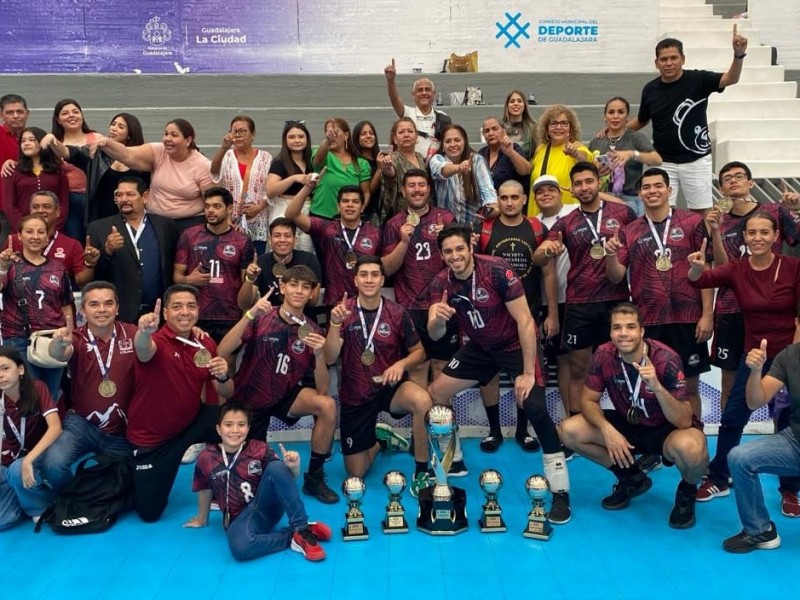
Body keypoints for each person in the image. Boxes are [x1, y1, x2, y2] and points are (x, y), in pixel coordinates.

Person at [427, 224, 572, 523]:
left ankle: (560, 492)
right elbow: (436, 334)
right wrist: (436, 320)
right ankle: (452, 457)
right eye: (448, 252)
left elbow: (525, 320)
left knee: (534, 408)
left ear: (469, 246)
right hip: (480, 348)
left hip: (515, 345)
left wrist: (528, 372)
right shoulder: (441, 283)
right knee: (436, 393)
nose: (455, 256)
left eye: (459, 249)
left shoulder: (496, 270)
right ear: (441, 255)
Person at [559, 303, 708, 529]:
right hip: (628, 425)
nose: (623, 333)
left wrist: (656, 386)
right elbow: (588, 401)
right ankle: (631, 478)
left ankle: (686, 492)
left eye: (630, 327)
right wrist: (607, 431)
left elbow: (684, 420)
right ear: (610, 332)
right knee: (568, 431)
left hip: (665, 429)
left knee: (694, 449)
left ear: (641, 331)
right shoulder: (603, 354)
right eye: (617, 328)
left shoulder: (666, 358)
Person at [688, 211, 800, 507]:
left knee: (788, 421)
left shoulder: (793, 267)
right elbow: (700, 281)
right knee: (733, 418)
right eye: (752, 233)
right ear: (744, 237)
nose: (758, 238)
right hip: (754, 358)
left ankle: (790, 490)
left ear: (776, 236)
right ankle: (718, 478)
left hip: (790, 355)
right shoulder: (737, 269)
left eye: (764, 232)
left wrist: (794, 360)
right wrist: (697, 269)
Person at [218, 266, 339, 504]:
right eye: (293, 285)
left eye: (306, 287)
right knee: (250, 480)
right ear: (282, 287)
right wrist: (249, 314)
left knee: (326, 405)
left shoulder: (312, 330)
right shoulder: (262, 316)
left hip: (285, 395)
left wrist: (319, 355)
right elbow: (223, 350)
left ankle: (314, 477)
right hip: (249, 400)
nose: (299, 291)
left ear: (312, 294)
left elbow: (323, 390)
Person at [604, 168, 713, 421]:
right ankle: (656, 445)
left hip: (687, 318)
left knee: (690, 386)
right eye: (646, 187)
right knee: (651, 386)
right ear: (640, 193)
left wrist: (707, 314)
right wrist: (610, 254)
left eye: (658, 186)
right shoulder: (629, 231)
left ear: (669, 190)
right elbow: (616, 276)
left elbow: (706, 270)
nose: (652, 191)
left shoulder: (692, 223)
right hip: (649, 320)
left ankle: (693, 437)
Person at [534, 163, 635, 423]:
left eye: (589, 181)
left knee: (625, 368)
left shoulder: (623, 214)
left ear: (597, 182)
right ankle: (578, 428)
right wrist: (548, 250)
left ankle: (631, 427)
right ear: (572, 188)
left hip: (617, 301)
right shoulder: (566, 222)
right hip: (580, 303)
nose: (584, 187)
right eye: (578, 183)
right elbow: (538, 256)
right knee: (580, 370)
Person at [323, 256, 433, 496]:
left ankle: (423, 471)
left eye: (375, 275)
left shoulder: (397, 313)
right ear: (355, 280)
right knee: (356, 473)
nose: (369, 279)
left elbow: (419, 353)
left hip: (389, 387)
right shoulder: (343, 312)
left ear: (382, 279)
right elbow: (330, 357)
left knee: (422, 401)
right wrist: (333, 324)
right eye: (364, 274)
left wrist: (401, 365)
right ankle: (381, 441)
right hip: (356, 395)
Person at [126, 284, 232, 522]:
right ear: (165, 313)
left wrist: (225, 375)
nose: (185, 311)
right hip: (153, 440)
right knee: (149, 513)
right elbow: (143, 350)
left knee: (234, 420)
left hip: (190, 422)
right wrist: (143, 331)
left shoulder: (205, 343)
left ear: (198, 310)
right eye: (177, 307)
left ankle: (229, 482)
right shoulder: (156, 340)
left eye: (190, 306)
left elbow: (226, 390)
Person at [706, 161, 800, 417]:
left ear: (751, 182)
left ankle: (785, 440)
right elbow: (723, 271)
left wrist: (798, 209)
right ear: (722, 188)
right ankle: (729, 444)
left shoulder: (775, 212)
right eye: (727, 178)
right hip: (730, 310)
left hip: (772, 314)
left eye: (739, 176)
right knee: (730, 383)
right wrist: (714, 232)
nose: (733, 180)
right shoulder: (718, 221)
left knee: (784, 381)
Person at [184, 402, 333, 562]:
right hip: (239, 520)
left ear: (248, 428)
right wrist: (202, 518)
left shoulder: (260, 449)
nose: (235, 430)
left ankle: (302, 528)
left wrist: (293, 467)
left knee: (276, 467)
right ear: (219, 429)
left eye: (241, 425)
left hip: (267, 507)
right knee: (241, 547)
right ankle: (292, 537)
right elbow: (204, 487)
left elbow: (283, 481)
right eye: (228, 425)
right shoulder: (206, 457)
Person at [627, 30, 748, 214]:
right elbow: (642, 120)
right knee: (662, 211)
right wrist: (613, 132)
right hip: (663, 161)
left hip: (697, 160)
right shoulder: (650, 89)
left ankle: (704, 243)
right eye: (663, 59)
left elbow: (731, 79)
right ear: (656, 63)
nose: (668, 63)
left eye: (673, 58)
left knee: (702, 212)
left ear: (683, 59)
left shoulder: (699, 80)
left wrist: (738, 55)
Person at [477, 179, 558, 452]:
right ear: (497, 199)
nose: (509, 202)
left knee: (526, 374)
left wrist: (552, 313)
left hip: (528, 315)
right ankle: (494, 430)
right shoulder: (485, 230)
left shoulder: (537, 228)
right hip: (491, 318)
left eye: (514, 197)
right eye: (504, 197)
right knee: (488, 374)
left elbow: (548, 272)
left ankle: (523, 430)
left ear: (524, 199)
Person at [42, 282, 135, 493]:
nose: (102, 309)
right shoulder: (75, 338)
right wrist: (58, 343)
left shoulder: (132, 333)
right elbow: (58, 353)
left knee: (133, 482)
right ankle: (73, 498)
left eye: (108, 303)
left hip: (122, 428)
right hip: (82, 424)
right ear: (82, 310)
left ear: (117, 307)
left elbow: (153, 347)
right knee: (53, 465)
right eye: (94, 304)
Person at [721, 330, 800, 553]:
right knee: (739, 457)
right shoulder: (789, 356)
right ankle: (759, 530)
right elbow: (755, 401)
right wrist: (755, 372)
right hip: (795, 441)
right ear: (796, 324)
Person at [381, 168, 456, 389]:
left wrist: (447, 239)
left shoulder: (446, 217)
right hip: (410, 306)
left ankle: (442, 423)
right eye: (411, 185)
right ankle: (422, 423)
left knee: (443, 367)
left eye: (421, 185)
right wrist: (404, 241)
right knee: (418, 367)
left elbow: (459, 261)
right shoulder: (394, 224)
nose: (417, 190)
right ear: (403, 191)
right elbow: (387, 269)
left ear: (429, 189)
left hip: (442, 303)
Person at [0, 215, 73, 399]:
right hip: (19, 339)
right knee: (28, 397)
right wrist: (2, 267)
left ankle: (50, 428)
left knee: (51, 395)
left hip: (51, 340)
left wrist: (70, 334)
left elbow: (65, 304)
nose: (35, 236)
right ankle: (28, 429)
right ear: (19, 236)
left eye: (41, 232)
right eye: (29, 231)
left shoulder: (58, 268)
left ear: (47, 237)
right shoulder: (10, 265)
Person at [93, 118, 213, 230]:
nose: (168, 138)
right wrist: (106, 143)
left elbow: (211, 200)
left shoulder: (203, 165)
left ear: (188, 140)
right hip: (156, 221)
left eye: (174, 135)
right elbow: (127, 154)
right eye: (166, 134)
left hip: (190, 224)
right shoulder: (158, 151)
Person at [87, 176, 178, 323]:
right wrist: (107, 250)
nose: (123, 199)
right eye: (119, 195)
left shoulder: (166, 226)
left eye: (130, 194)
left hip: (159, 313)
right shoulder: (99, 228)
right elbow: (94, 275)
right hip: (120, 313)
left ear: (145, 197)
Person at [174, 186, 254, 343]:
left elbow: (246, 286)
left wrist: (251, 278)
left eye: (216, 206)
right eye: (207, 206)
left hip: (229, 315)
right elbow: (176, 278)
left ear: (229, 208)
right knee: (197, 363)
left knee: (227, 364)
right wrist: (189, 280)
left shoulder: (242, 241)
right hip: (196, 314)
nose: (210, 211)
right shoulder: (189, 236)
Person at [286, 181, 381, 306]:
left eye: (355, 202)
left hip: (366, 302)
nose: (350, 205)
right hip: (334, 301)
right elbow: (291, 214)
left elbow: (385, 265)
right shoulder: (327, 228)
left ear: (362, 207)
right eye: (345, 201)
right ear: (338, 206)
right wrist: (308, 187)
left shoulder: (375, 233)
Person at [43, 113, 150, 223]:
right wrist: (52, 141)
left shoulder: (141, 156)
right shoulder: (96, 152)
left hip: (133, 217)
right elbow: (68, 152)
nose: (114, 128)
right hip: (100, 217)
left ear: (130, 134)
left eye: (120, 127)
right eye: (113, 124)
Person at [532, 175, 577, 420]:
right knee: (561, 363)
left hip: (579, 299)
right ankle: (571, 418)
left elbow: (621, 206)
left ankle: (583, 418)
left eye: (551, 189)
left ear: (562, 193)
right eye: (540, 192)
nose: (546, 194)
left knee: (581, 362)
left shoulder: (575, 210)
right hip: (549, 302)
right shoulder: (533, 223)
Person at [0, 347, 61, 530]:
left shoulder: (37, 388)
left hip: (39, 455)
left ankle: (40, 506)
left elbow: (56, 428)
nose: (0, 375)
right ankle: (20, 495)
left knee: (18, 469)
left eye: (5, 368)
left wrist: (28, 461)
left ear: (20, 369)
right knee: (3, 521)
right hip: (10, 460)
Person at [588, 96, 662, 217]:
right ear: (605, 117)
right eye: (611, 112)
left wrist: (632, 154)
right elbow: (586, 172)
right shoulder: (597, 141)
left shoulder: (635, 137)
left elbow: (657, 160)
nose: (615, 116)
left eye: (621, 112)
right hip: (602, 198)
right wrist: (595, 170)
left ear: (627, 117)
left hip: (630, 198)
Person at [210, 115, 272, 254]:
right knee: (229, 260)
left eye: (242, 131)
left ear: (253, 134)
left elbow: (272, 188)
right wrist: (223, 148)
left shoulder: (265, 157)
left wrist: (259, 206)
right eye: (234, 132)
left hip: (257, 220)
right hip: (230, 221)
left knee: (255, 262)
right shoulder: (227, 156)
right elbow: (214, 172)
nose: (238, 135)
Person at [8, 191, 96, 286]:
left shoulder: (72, 245)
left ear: (57, 211)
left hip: (57, 298)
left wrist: (90, 264)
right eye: (35, 207)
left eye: (46, 206)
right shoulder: (14, 241)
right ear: (30, 211)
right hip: (21, 298)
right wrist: (3, 266)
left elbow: (81, 281)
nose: (40, 210)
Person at [237, 217, 322, 312]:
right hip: (271, 319)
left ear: (295, 240)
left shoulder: (309, 260)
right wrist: (250, 279)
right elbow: (243, 304)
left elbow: (313, 301)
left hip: (303, 318)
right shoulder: (260, 262)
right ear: (270, 240)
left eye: (287, 235)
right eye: (277, 235)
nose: (282, 240)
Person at [527, 105, 593, 216]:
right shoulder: (540, 149)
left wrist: (575, 153)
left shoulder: (577, 147)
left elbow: (585, 161)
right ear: (546, 128)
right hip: (539, 215)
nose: (558, 127)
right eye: (554, 123)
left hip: (566, 217)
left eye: (564, 123)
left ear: (571, 128)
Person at [429, 124, 497, 229]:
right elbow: (443, 170)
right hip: (447, 229)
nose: (453, 144)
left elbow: (487, 190)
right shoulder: (436, 159)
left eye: (457, 140)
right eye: (448, 141)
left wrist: (491, 209)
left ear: (465, 141)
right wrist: (459, 168)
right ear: (442, 145)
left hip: (474, 228)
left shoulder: (477, 160)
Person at [2, 126, 69, 232]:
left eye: (32, 140)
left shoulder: (57, 169)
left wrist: (52, 229)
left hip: (53, 231)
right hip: (23, 232)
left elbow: (63, 203)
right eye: (23, 141)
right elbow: (9, 206)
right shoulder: (11, 170)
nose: (26, 143)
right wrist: (26, 228)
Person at [384, 58, 451, 160]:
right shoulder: (407, 113)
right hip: (412, 167)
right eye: (420, 90)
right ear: (413, 95)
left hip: (436, 168)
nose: (424, 93)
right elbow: (394, 99)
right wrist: (391, 80)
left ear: (434, 94)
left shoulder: (443, 117)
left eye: (427, 89)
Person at [266, 121, 314, 253]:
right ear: (285, 140)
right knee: (282, 248)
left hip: (308, 210)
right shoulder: (280, 162)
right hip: (284, 207)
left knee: (306, 250)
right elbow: (270, 190)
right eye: (292, 137)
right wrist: (293, 178)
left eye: (301, 136)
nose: (297, 140)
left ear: (307, 139)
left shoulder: (312, 161)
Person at [51, 99, 97, 240]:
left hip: (94, 200)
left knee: (95, 241)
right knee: (74, 242)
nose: (71, 115)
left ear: (82, 116)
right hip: (68, 202)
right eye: (65, 113)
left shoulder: (97, 138)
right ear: (58, 120)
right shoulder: (53, 143)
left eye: (76, 112)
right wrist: (10, 162)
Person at [310, 118, 371, 219]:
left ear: (346, 135)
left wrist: (361, 209)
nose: (332, 136)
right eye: (328, 132)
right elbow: (317, 161)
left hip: (347, 219)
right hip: (320, 216)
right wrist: (327, 142)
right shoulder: (323, 154)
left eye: (335, 132)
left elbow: (366, 192)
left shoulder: (361, 163)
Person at [378, 117, 426, 222]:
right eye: (401, 132)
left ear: (416, 136)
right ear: (395, 139)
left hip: (423, 209)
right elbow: (391, 172)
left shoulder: (420, 157)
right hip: (403, 213)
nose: (406, 135)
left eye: (410, 131)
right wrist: (387, 167)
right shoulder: (394, 158)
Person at [0, 94, 30, 247]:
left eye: (20, 111)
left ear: (27, 113)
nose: (16, 116)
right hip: (3, 211)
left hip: (29, 207)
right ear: (1, 115)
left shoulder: (34, 138)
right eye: (10, 112)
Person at [478, 116, 532, 198]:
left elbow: (526, 171)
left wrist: (511, 153)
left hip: (511, 202)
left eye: (495, 129)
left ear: (503, 131)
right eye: (487, 131)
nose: (491, 133)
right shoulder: (481, 153)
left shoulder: (514, 148)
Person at [352, 120, 384, 223]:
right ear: (357, 138)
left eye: (371, 133)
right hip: (365, 213)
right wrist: (380, 169)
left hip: (381, 211)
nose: (368, 136)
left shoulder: (381, 157)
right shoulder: (356, 161)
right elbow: (368, 191)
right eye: (363, 134)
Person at [502, 90, 537, 160]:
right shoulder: (500, 128)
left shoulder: (534, 128)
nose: (516, 104)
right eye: (512, 101)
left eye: (519, 101)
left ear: (524, 105)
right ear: (507, 106)